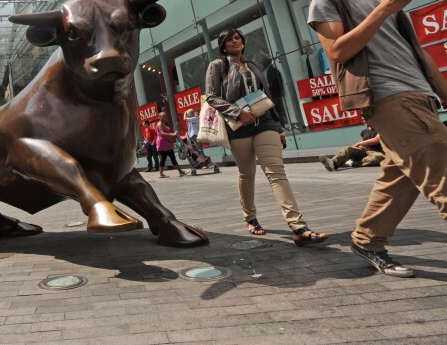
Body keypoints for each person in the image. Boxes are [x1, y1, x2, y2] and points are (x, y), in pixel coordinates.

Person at [308, 0, 447, 277]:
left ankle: (367, 239)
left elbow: (415, 49)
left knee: (399, 175)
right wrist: (383, 9)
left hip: (419, 92)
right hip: (385, 94)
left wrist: (442, 92)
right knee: (441, 169)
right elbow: (338, 51)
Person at [205, 29, 328, 246]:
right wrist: (237, 113)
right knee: (247, 173)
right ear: (223, 45)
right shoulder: (218, 66)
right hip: (238, 126)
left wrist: (279, 128)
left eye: (237, 38)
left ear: (243, 42)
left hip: (266, 122)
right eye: (230, 39)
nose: (235, 41)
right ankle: (250, 217)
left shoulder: (253, 65)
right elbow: (212, 96)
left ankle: (297, 226)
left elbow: (268, 97)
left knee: (276, 172)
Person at [319, 121, 387, 171]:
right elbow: (362, 144)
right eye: (363, 119)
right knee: (348, 149)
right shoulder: (363, 132)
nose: (364, 121)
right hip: (364, 151)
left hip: (377, 152)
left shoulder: (379, 128)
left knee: (378, 157)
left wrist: (359, 143)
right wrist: (356, 149)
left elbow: (377, 139)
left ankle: (351, 163)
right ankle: (333, 163)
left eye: (366, 119)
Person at [155, 112, 186, 178]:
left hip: (164, 142)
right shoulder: (160, 124)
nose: (164, 117)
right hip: (163, 142)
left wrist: (174, 134)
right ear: (159, 117)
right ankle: (180, 172)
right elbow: (162, 133)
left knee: (163, 158)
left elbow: (167, 132)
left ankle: (161, 174)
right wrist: (173, 134)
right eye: (163, 116)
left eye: (165, 116)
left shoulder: (163, 124)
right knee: (172, 157)